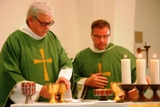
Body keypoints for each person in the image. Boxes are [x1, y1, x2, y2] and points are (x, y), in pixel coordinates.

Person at [0, 1, 73, 107]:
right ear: (30, 19)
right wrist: (39, 90)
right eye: (43, 23)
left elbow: (66, 62)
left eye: (50, 23)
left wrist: (63, 78)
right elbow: (10, 76)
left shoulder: (52, 38)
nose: (47, 28)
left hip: (54, 103)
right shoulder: (14, 41)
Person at [72, 19, 150, 100]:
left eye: (105, 36)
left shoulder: (122, 53)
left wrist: (143, 78)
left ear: (110, 35)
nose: (101, 40)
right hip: (89, 104)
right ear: (91, 35)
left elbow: (138, 71)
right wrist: (87, 81)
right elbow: (71, 80)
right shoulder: (81, 56)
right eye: (98, 36)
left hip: (118, 103)